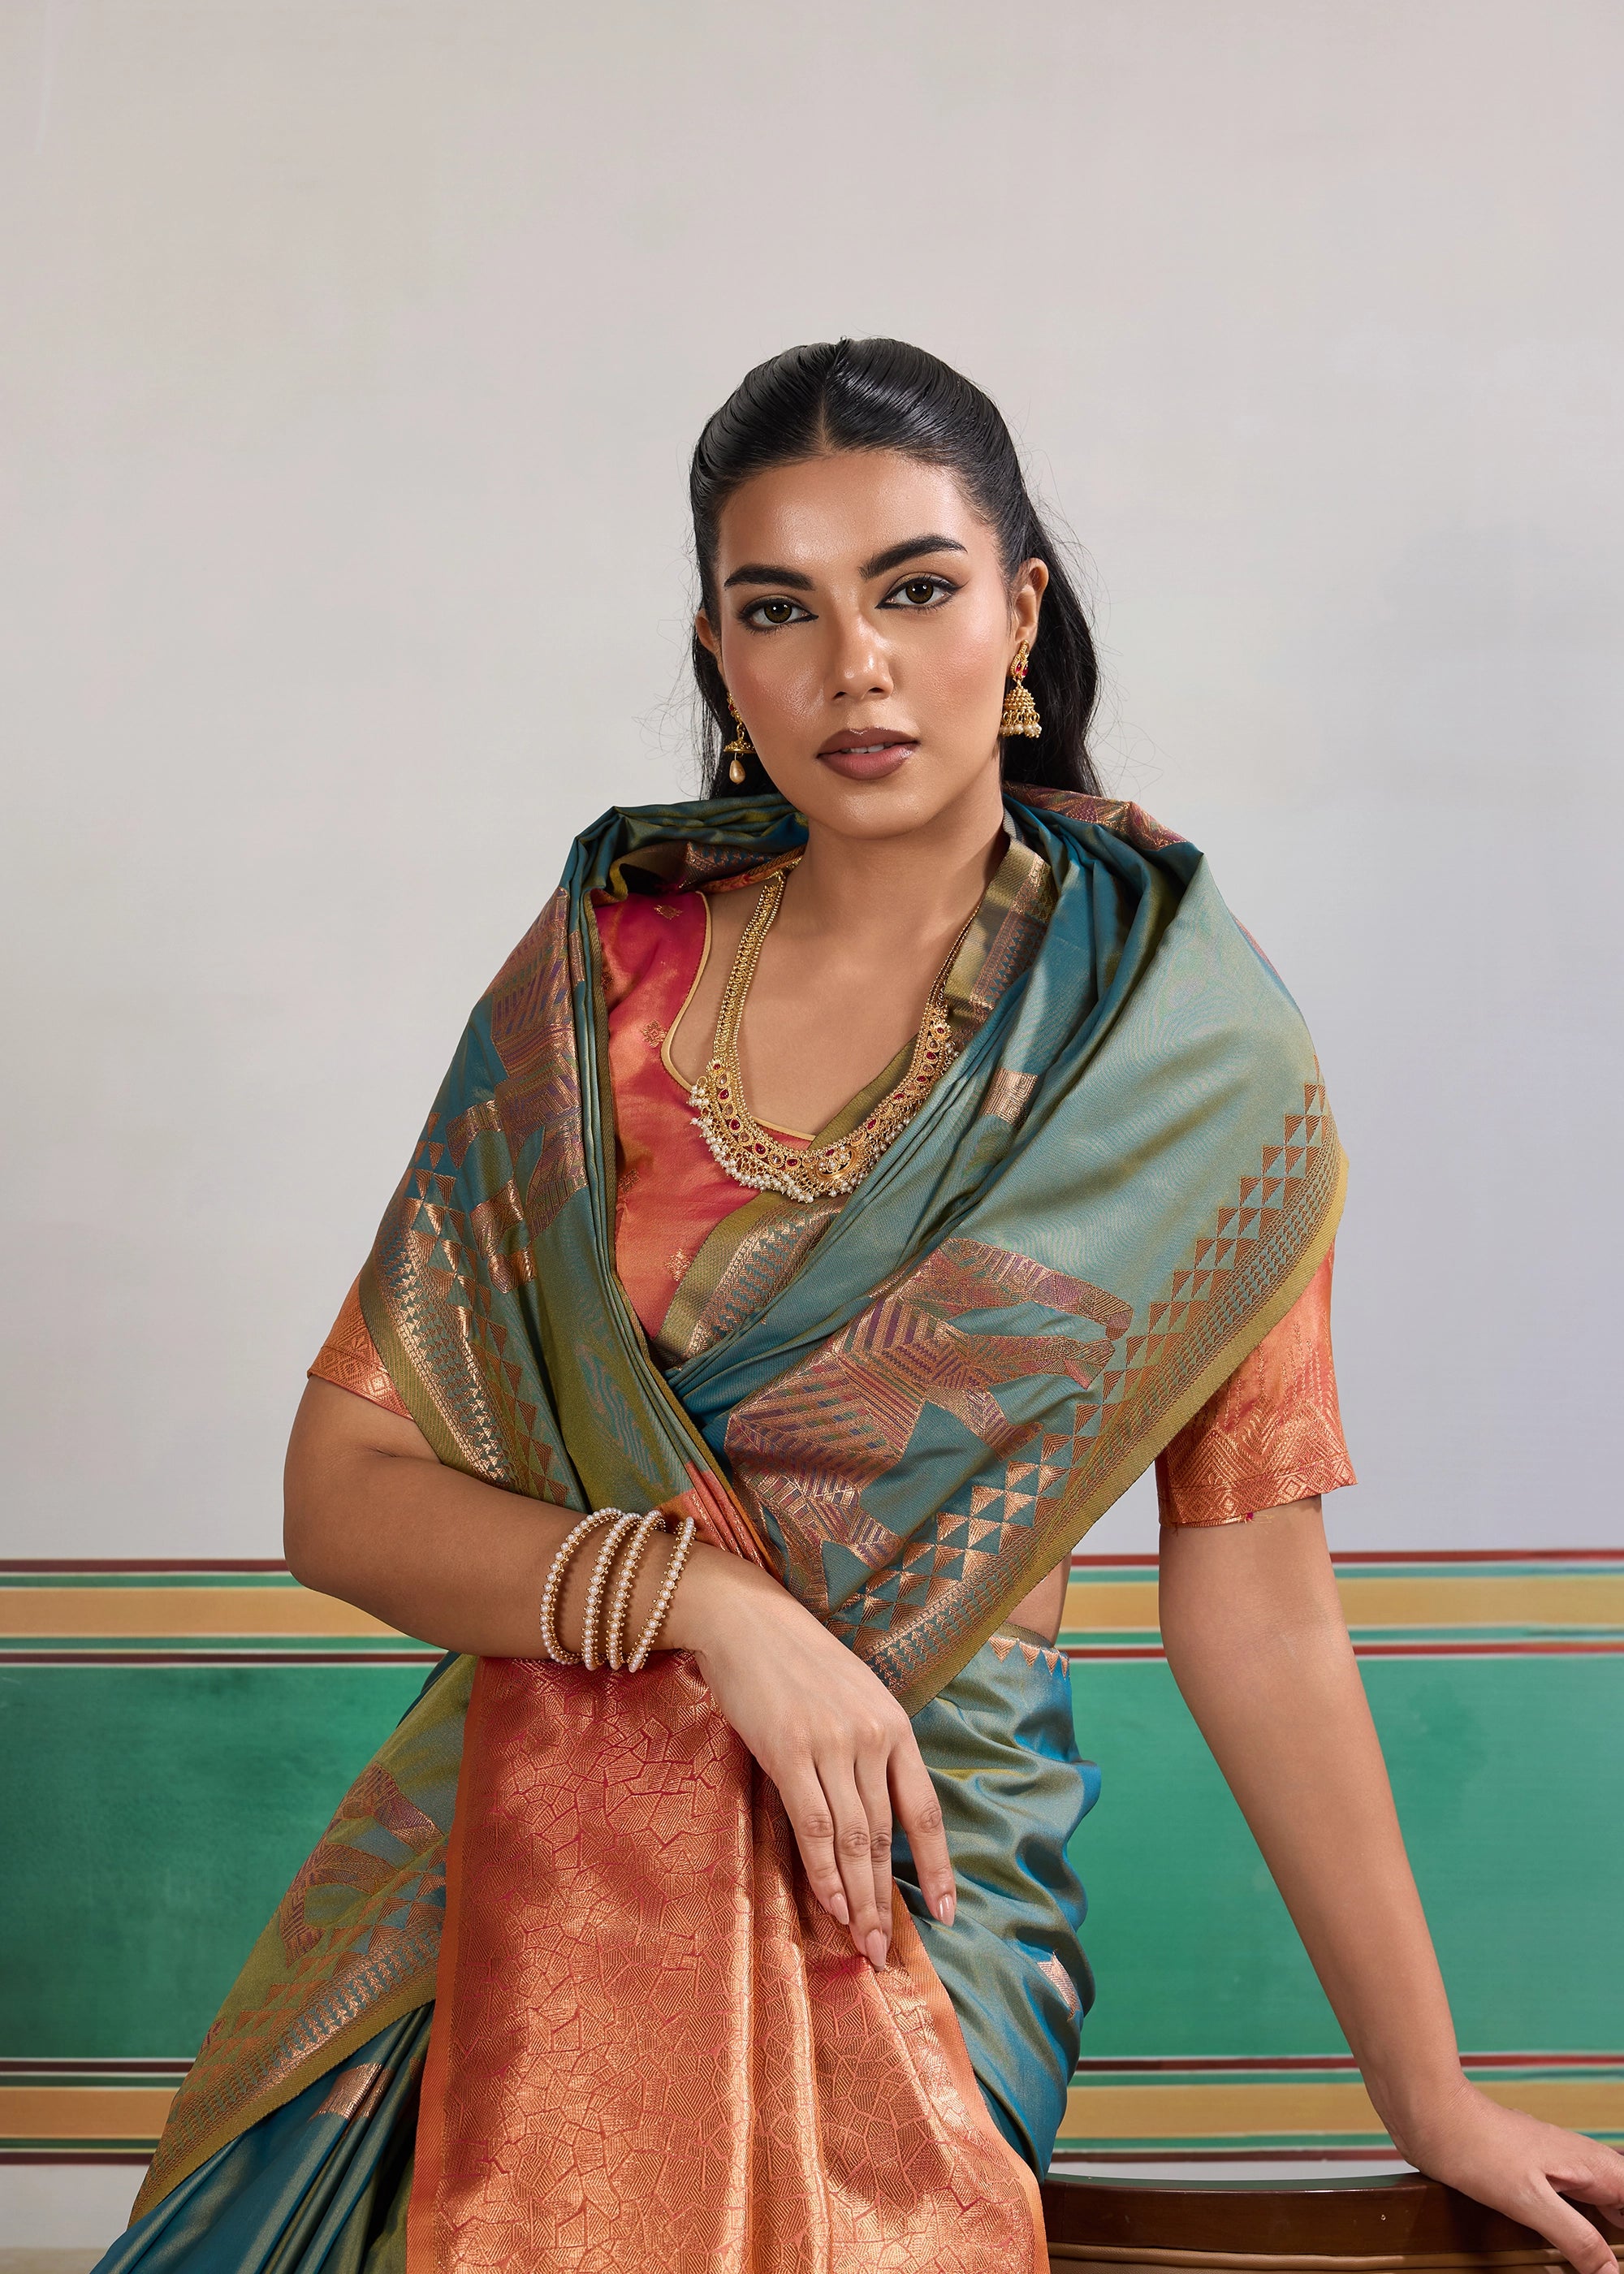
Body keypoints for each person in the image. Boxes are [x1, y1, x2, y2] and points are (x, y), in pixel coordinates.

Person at [99, 339, 1624, 2274]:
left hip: (905, 1874)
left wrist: (1428, 2091)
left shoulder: (1178, 1060)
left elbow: (1257, 1603)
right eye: (778, 609)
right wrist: (716, 1609)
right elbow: (340, 1493)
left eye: (913, 588)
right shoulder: (599, 988)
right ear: (719, 657)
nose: (856, 666)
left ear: (1020, 613)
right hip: (519, 1842)